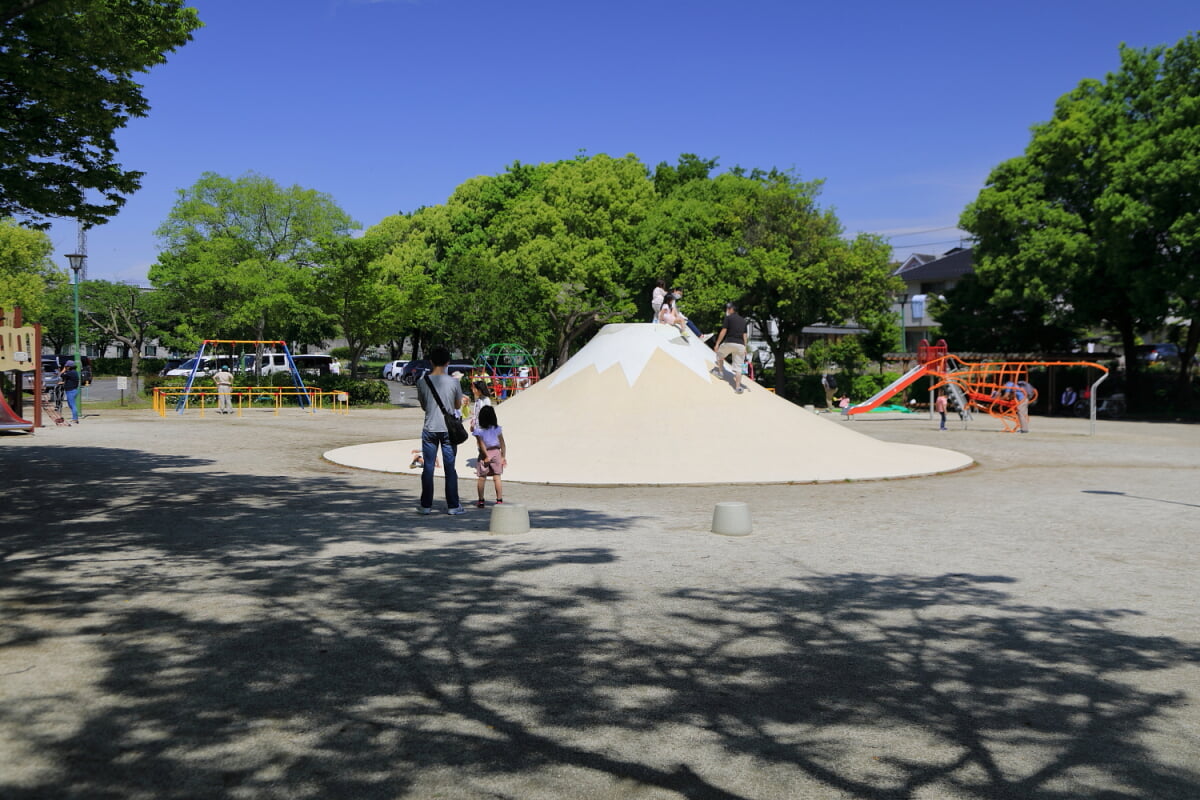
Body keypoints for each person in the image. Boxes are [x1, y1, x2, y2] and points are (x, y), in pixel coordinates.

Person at [417, 346, 466, 514]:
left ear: (431, 361)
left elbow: (424, 406)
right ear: (448, 362)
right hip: (448, 429)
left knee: (428, 467)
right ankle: (453, 505)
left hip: (430, 427)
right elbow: (458, 405)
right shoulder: (454, 382)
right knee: (449, 468)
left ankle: (425, 505)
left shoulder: (422, 381)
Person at [472, 404, 507, 507]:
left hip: (484, 453)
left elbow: (481, 444)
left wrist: (486, 455)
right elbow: (502, 443)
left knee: (482, 477)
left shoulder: (479, 431)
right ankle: (499, 499)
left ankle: (481, 500)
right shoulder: (497, 429)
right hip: (496, 452)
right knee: (497, 477)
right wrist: (503, 456)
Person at [711, 302, 750, 394]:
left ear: (731, 309)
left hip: (729, 342)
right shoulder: (743, 321)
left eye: (728, 309)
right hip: (740, 345)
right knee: (739, 367)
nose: (727, 310)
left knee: (719, 354)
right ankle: (738, 387)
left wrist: (717, 344)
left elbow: (724, 331)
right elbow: (745, 335)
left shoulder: (728, 318)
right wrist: (745, 347)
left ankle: (720, 373)